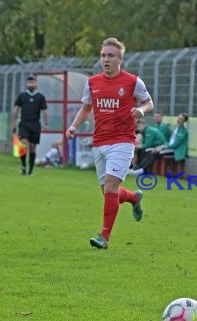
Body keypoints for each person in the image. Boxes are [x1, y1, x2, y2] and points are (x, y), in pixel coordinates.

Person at [66, 37, 154, 249]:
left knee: (111, 186)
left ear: (120, 59)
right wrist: (73, 126)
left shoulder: (133, 81)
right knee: (108, 192)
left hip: (123, 141)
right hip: (100, 141)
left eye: (110, 55)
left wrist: (141, 110)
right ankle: (133, 198)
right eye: (103, 55)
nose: (105, 59)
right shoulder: (92, 82)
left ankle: (104, 237)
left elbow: (148, 102)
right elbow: (86, 108)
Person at [10, 74, 50, 176]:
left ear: (36, 84)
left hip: (35, 124)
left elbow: (45, 110)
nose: (31, 84)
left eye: (32, 82)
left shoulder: (40, 97)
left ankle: (30, 170)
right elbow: (16, 109)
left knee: (32, 147)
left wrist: (46, 123)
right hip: (24, 123)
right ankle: (23, 166)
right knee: (23, 143)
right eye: (29, 82)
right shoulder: (22, 96)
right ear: (26, 84)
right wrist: (13, 122)